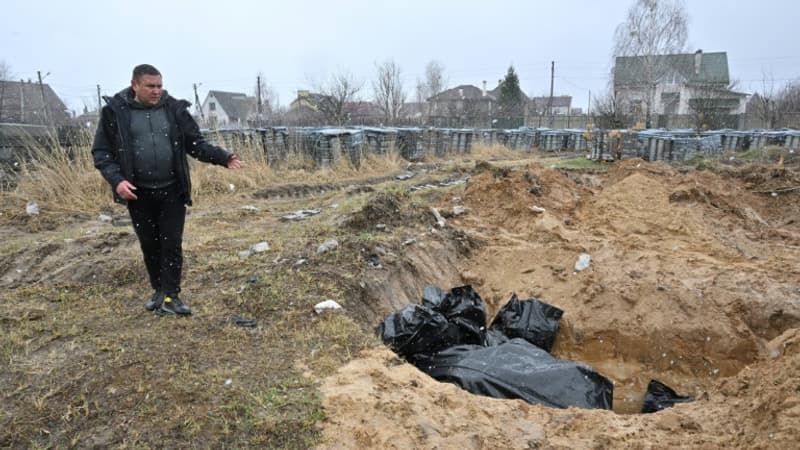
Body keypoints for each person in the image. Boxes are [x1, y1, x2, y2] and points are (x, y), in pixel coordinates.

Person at [92, 64, 242, 316]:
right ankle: (159, 290)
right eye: (150, 86)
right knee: (150, 245)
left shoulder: (174, 110)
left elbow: (195, 143)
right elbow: (101, 153)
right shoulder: (115, 113)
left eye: (159, 86)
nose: (156, 91)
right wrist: (117, 181)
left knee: (171, 243)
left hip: (172, 190)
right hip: (137, 193)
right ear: (135, 85)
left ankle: (172, 296)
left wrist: (223, 157)